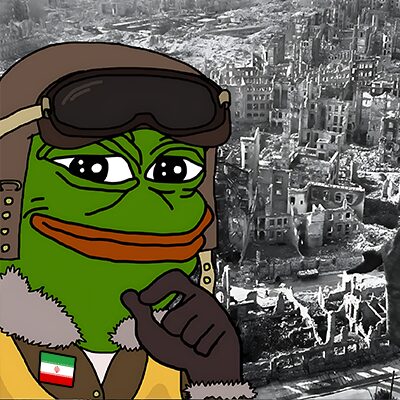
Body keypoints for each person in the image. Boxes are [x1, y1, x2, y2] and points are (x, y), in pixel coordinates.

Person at [0, 42, 255, 399]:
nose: (148, 206)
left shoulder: (180, 356)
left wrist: (215, 382)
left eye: (173, 171)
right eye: (92, 169)